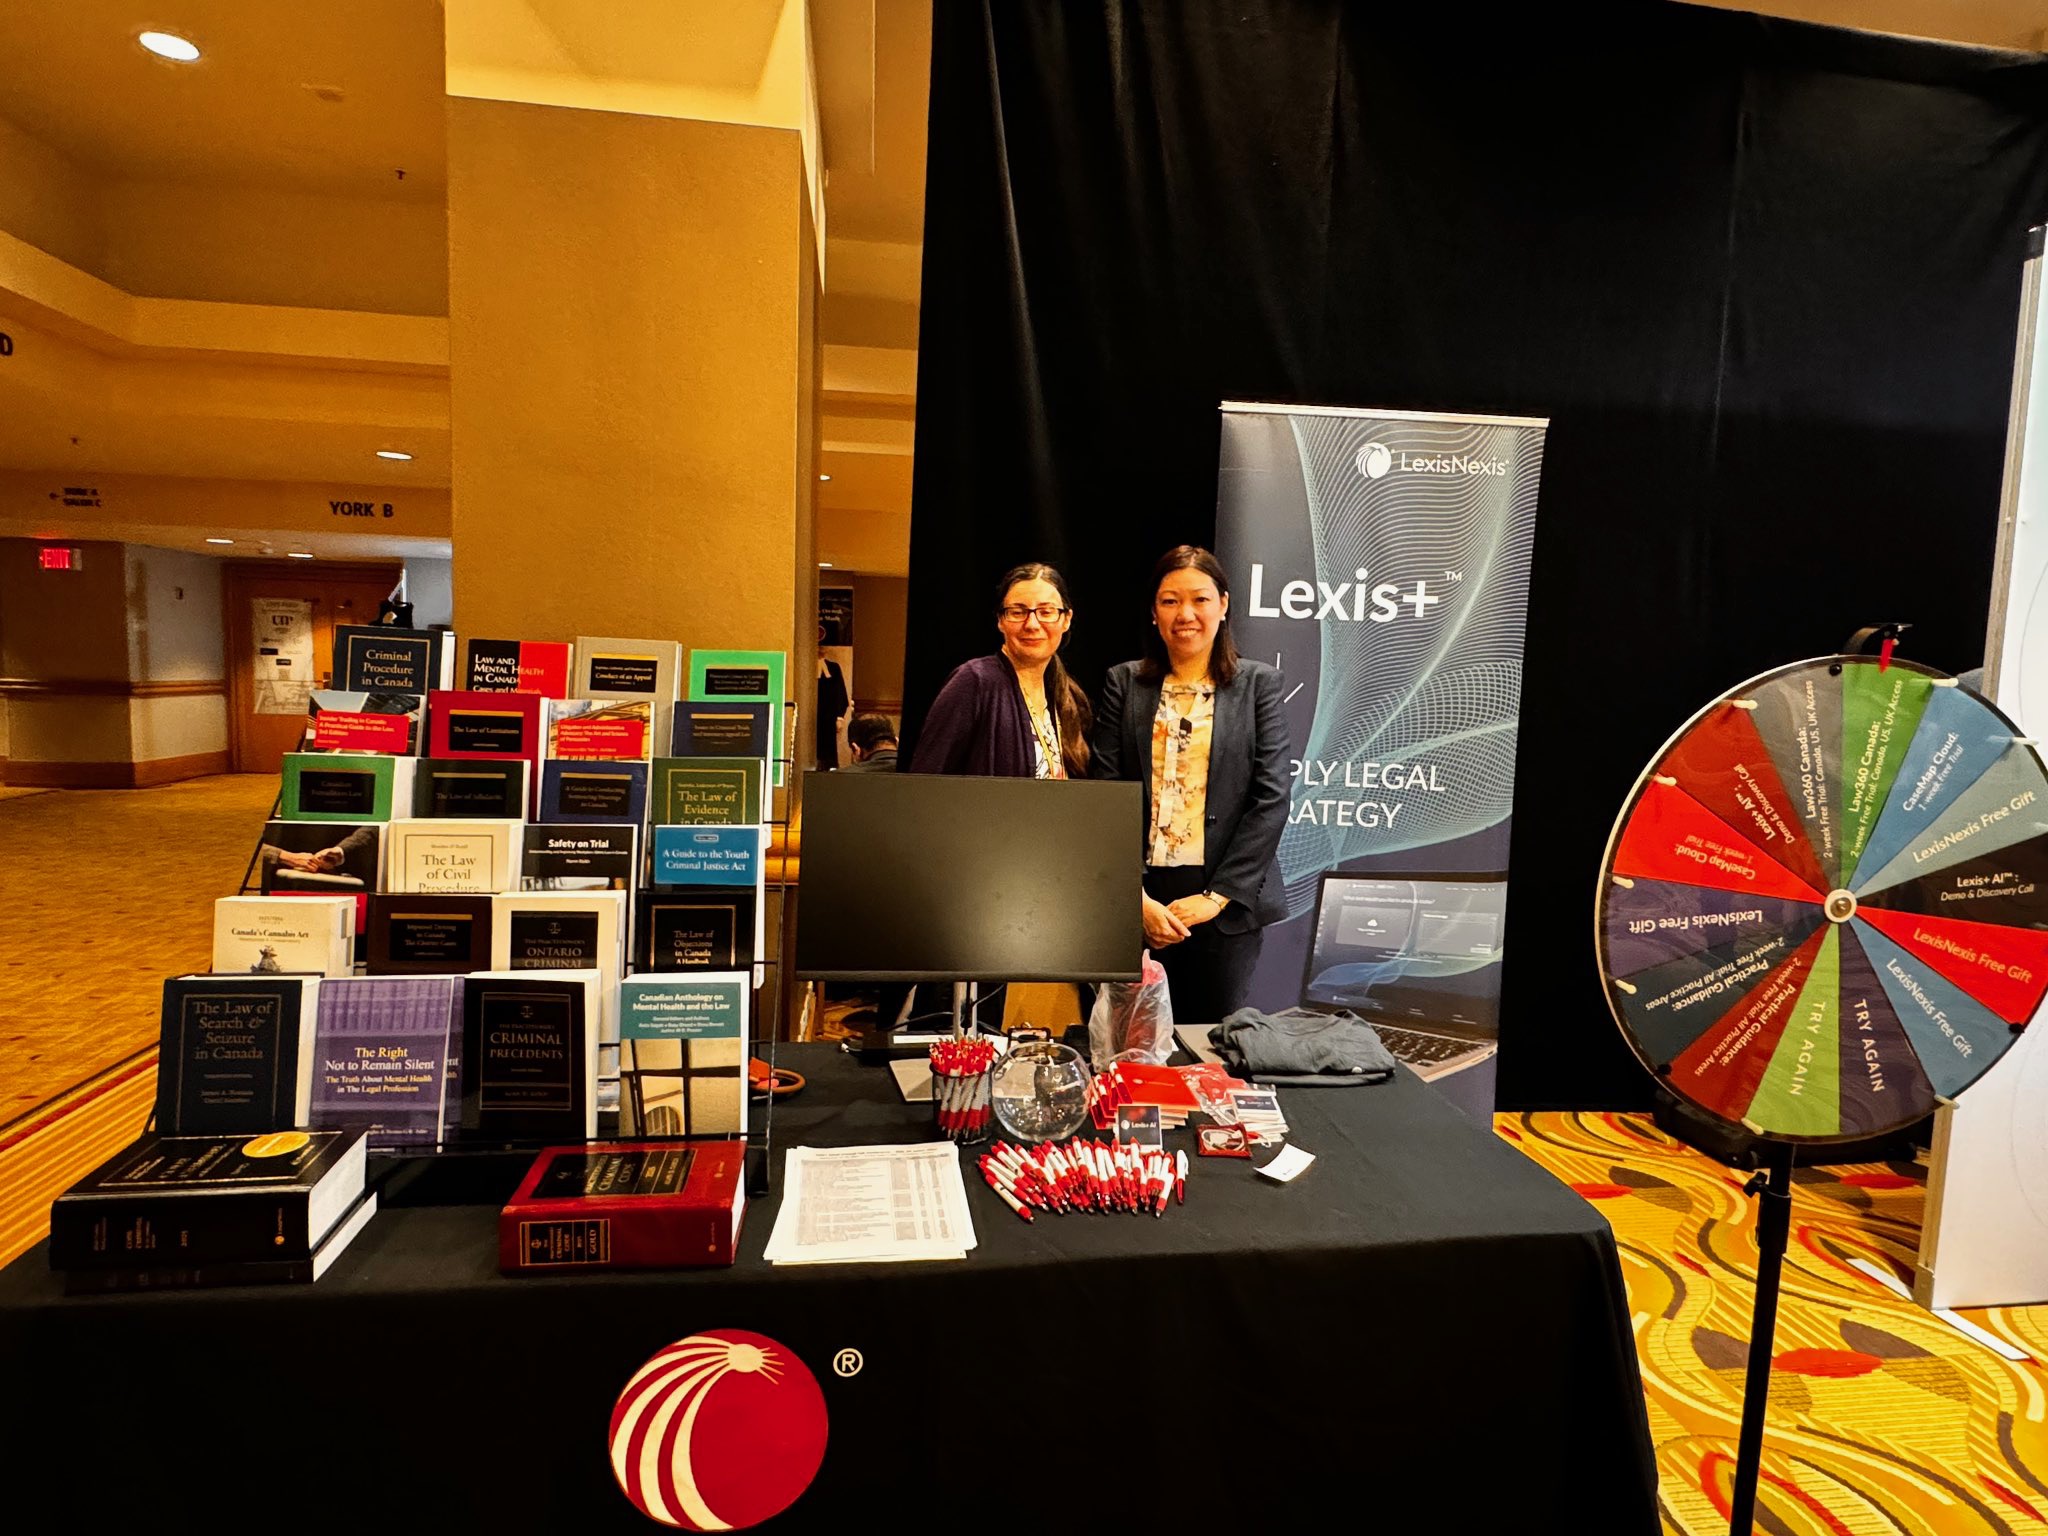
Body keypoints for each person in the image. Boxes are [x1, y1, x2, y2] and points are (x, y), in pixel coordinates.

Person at [1091, 545, 1289, 1024]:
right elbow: (1103, 797)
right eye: (1170, 601)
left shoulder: (1258, 684)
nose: (1186, 614)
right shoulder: (1124, 683)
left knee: (1209, 1047)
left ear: (1223, 605)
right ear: (1153, 612)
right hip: (1137, 900)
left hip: (1224, 906)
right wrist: (1135, 900)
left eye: (1200, 599)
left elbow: (1271, 797)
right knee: (1129, 1046)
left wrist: (1214, 898)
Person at [909, 562, 1092, 779]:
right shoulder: (974, 681)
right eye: (1018, 612)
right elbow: (925, 779)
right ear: (1000, 620)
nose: (1032, 624)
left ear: (1066, 619)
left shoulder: (1067, 695)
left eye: (1046, 612)